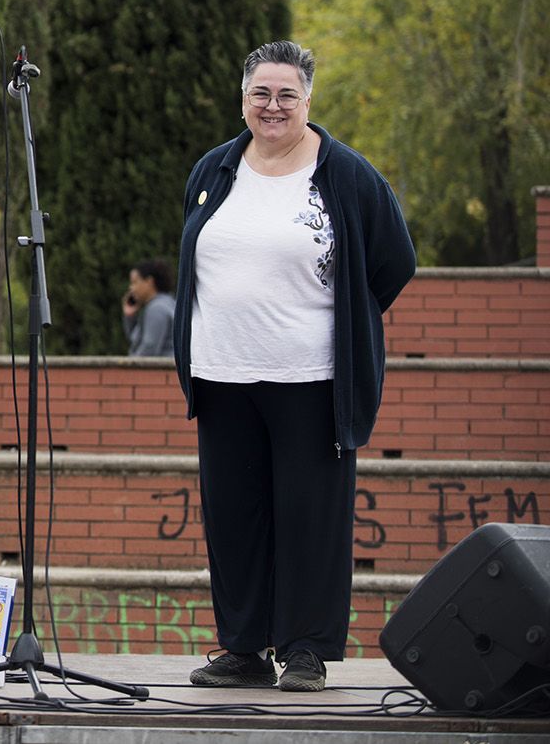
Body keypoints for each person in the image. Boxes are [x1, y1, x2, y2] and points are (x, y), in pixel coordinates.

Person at [177, 41, 415, 693]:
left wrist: (349, 315)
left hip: (312, 381)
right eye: (261, 93)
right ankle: (244, 648)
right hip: (222, 377)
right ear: (243, 100)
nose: (273, 106)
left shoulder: (347, 175)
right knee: (235, 519)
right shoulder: (214, 169)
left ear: (308, 100)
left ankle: (306, 650)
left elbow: (394, 261)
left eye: (287, 94)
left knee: (311, 520)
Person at [122, 258, 175, 357]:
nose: (131, 288)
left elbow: (149, 348)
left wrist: (129, 365)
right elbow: (137, 341)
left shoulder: (157, 309)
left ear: (149, 282)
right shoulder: (169, 302)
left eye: (135, 282)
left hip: (165, 366)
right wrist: (130, 317)